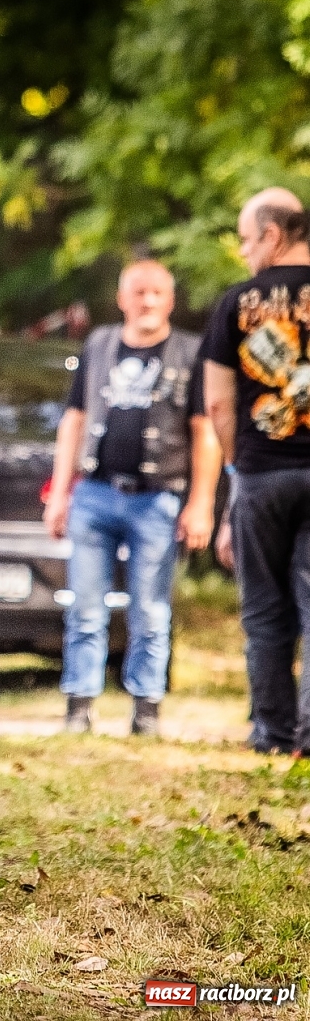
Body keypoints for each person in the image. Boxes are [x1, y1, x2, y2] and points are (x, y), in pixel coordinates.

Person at [42, 260, 220, 737]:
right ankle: (78, 708)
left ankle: (146, 710)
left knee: (150, 610)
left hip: (158, 500)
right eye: (138, 292)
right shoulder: (99, 345)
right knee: (84, 607)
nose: (147, 301)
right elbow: (73, 421)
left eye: (156, 293)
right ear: (122, 298)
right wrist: (59, 494)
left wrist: (201, 503)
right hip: (94, 495)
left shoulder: (190, 352)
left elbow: (206, 432)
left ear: (170, 300)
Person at [202, 186, 310, 757]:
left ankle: (272, 733)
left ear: (272, 234)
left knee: (266, 609)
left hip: (263, 472)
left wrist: (239, 466)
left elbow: (218, 403)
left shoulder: (234, 303)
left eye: (247, 241)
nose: (245, 254)